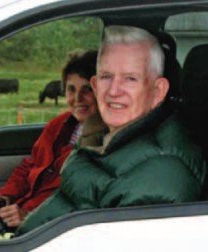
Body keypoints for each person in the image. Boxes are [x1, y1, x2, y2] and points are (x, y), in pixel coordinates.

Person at [16, 25, 207, 235]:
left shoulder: (160, 174)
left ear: (158, 90)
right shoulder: (101, 139)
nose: (114, 91)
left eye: (130, 78)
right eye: (107, 76)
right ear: (96, 85)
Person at [0, 49, 99, 236]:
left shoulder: (100, 144)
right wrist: (5, 194)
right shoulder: (59, 124)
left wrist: (28, 215)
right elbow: (30, 165)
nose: (77, 99)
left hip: (37, 230)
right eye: (71, 89)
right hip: (14, 212)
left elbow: (71, 201)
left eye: (87, 89)